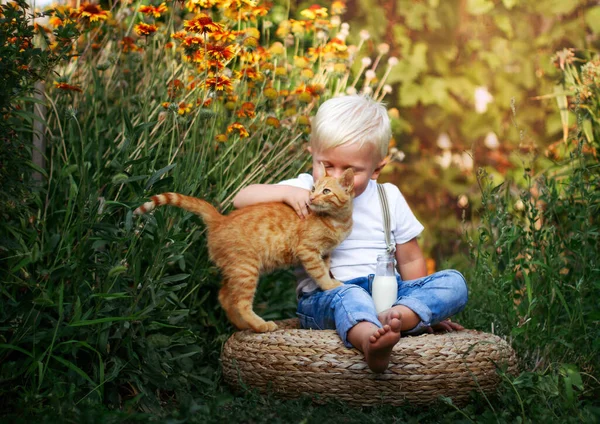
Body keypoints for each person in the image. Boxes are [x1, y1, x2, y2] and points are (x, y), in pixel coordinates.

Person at [233, 95, 468, 373]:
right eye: (326, 164)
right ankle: (371, 342)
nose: (335, 176)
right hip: (327, 297)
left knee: (454, 282)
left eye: (350, 171)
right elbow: (241, 198)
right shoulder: (307, 188)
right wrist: (285, 192)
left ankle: (401, 317)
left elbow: (410, 260)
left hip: (388, 294)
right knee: (351, 296)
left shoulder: (388, 197)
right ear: (313, 154)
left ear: (376, 169)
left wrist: (416, 306)